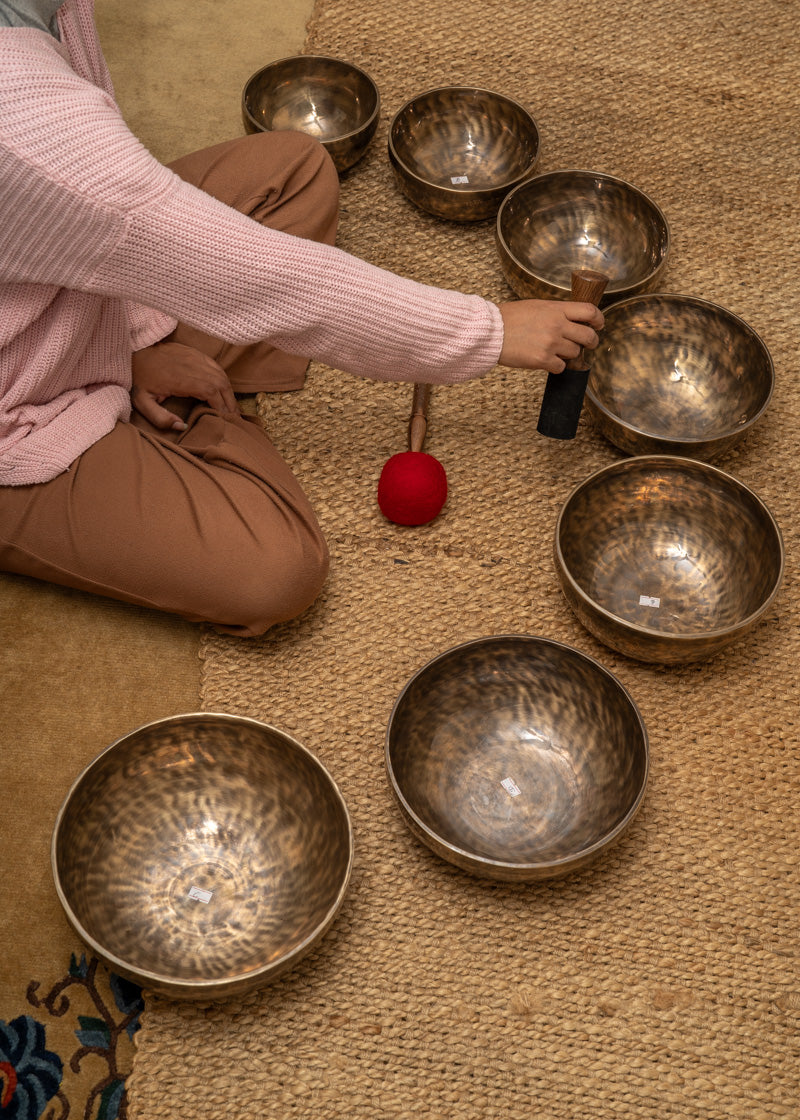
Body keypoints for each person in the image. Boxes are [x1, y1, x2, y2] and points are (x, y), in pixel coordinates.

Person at [0, 0, 604, 637]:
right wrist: (491, 332)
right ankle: (192, 430)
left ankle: (160, 408)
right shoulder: (22, 123)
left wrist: (126, 347)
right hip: (17, 416)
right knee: (278, 569)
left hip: (49, 310)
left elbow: (83, 221)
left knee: (293, 169)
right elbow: (262, 278)